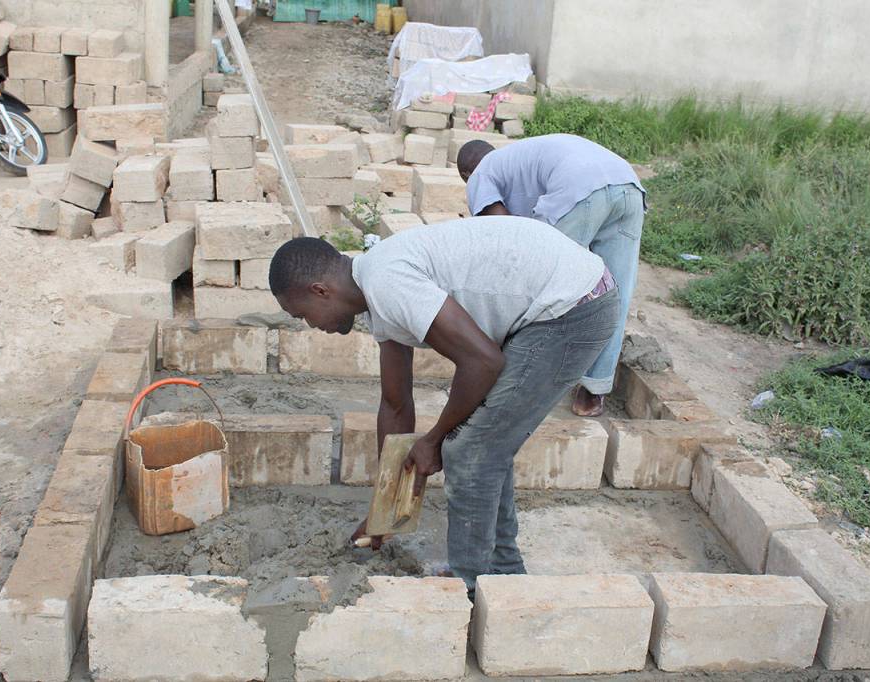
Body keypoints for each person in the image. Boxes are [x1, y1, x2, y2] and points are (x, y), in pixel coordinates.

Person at [268, 217, 621, 595]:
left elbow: (482, 362)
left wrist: (434, 441)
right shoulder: (375, 292)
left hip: (572, 308)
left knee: (469, 449)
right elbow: (396, 404)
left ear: (320, 290)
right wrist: (385, 506)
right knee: (483, 443)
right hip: (556, 304)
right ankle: (502, 575)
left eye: (302, 315)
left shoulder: (387, 281)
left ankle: (470, 591)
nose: (309, 325)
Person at [456, 133, 646, 417]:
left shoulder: (481, 173)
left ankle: (516, 382)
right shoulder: (518, 159)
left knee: (542, 286)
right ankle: (594, 392)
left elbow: (504, 235)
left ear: (465, 173)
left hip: (579, 187)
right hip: (628, 184)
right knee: (615, 292)